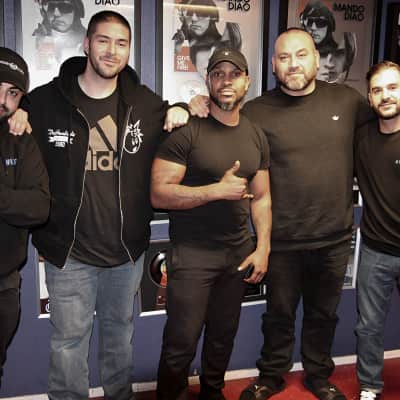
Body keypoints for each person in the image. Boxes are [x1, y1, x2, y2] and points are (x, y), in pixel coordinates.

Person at [189, 28, 372, 400]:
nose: (293, 64)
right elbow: (220, 118)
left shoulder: (348, 101)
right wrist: (193, 104)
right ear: (273, 65)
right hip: (281, 239)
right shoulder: (256, 111)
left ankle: (318, 376)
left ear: (316, 59)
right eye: (284, 57)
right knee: (279, 315)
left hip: (334, 238)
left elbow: (386, 126)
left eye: (301, 55)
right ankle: (271, 376)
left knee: (323, 315)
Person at [24, 10, 190, 400]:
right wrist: (16, 115)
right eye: (103, 40)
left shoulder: (145, 104)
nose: (112, 51)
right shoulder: (46, 102)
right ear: (86, 44)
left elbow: (177, 118)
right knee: (68, 344)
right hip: (70, 253)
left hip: (125, 253)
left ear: (129, 50)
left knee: (120, 338)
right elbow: (14, 118)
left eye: (121, 43)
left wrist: (183, 107)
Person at [152, 48, 272, 400]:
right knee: (181, 342)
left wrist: (263, 247)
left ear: (247, 82)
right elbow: (159, 194)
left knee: (222, 337)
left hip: (237, 254)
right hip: (193, 255)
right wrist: (216, 191)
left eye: (234, 74)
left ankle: (212, 393)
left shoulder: (255, 135)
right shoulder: (186, 130)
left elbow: (262, 197)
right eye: (218, 74)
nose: (226, 81)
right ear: (208, 81)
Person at [0, 47, 49, 387]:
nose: (3, 101)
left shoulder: (21, 139)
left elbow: (39, 206)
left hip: (4, 281)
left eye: (13, 93)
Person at [354, 61, 400, 400]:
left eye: (393, 87)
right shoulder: (361, 138)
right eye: (377, 90)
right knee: (368, 327)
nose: (386, 96)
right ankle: (370, 386)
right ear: (369, 98)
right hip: (376, 251)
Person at [173, 0, 242, 75]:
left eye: (200, 13)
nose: (194, 18)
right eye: (190, 14)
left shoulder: (225, 44)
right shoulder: (182, 40)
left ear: (213, 17)